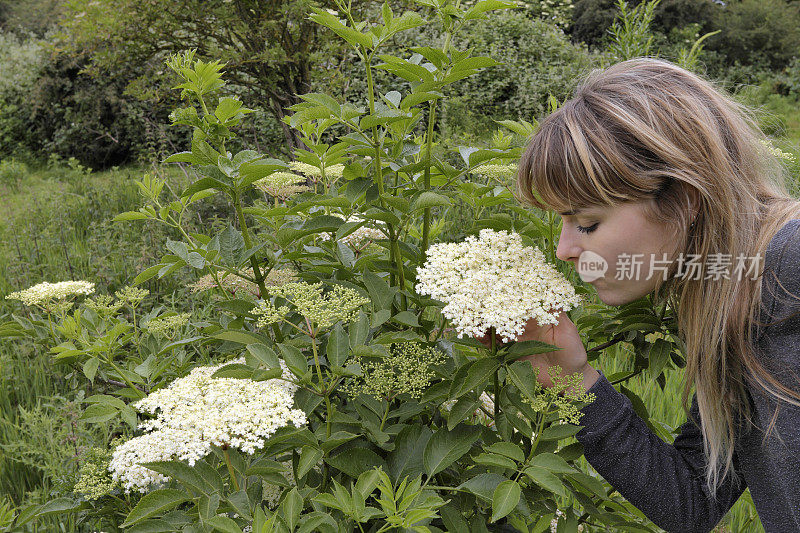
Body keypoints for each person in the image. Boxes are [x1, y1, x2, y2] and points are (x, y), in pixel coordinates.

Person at [490, 57, 800, 532]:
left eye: (587, 223)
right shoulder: (727, 295)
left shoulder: (789, 263)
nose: (564, 249)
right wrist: (575, 380)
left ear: (683, 199)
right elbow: (694, 501)